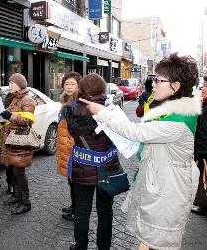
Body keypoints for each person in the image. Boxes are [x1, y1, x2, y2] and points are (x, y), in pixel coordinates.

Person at [81, 53, 200, 250]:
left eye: (159, 80)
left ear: (176, 86)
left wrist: (101, 112)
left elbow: (135, 132)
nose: (153, 84)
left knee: (158, 242)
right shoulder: (171, 110)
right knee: (151, 241)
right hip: (163, 186)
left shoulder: (179, 120)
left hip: (168, 192)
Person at [63, 74, 121, 250]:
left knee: (82, 210)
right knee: (105, 212)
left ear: (82, 89)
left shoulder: (71, 110)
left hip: (83, 165)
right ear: (102, 90)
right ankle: (104, 247)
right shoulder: (110, 110)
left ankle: (80, 245)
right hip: (107, 166)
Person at [0, 73, 36, 215]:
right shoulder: (14, 98)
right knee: (13, 170)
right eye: (9, 83)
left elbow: (28, 121)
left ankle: (26, 202)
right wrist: (2, 117)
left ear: (20, 84)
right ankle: (16, 196)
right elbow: (8, 115)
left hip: (20, 141)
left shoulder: (28, 100)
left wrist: (11, 116)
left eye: (12, 83)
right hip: (10, 139)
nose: (9, 86)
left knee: (19, 171)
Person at [56, 72, 82, 221]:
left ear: (79, 85)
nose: (69, 87)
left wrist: (72, 145)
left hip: (73, 148)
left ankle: (77, 211)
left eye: (72, 84)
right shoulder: (65, 102)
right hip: (66, 147)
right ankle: (74, 206)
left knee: (76, 181)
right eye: (66, 84)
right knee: (71, 181)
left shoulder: (77, 104)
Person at [191, 75, 207, 216]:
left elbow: (204, 133)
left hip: (204, 152)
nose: (202, 88)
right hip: (202, 150)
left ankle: (204, 206)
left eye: (206, 86)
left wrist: (200, 154)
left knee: (204, 181)